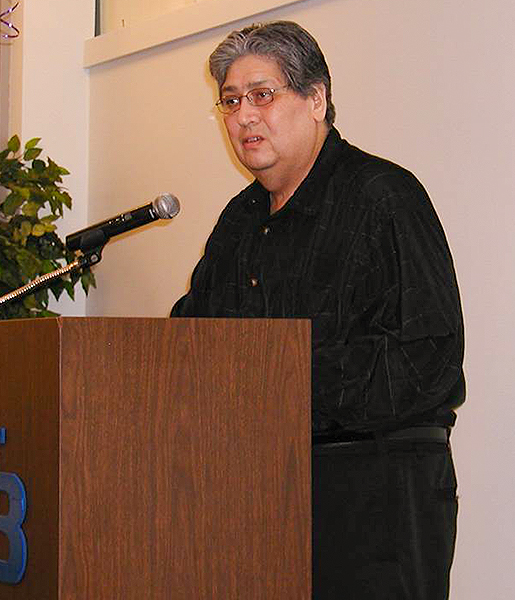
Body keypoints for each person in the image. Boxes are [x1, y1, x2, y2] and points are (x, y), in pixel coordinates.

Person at [170, 21, 465, 600]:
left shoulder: (383, 197)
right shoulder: (239, 221)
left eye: (262, 95)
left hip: (375, 497)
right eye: (230, 101)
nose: (244, 116)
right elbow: (191, 340)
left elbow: (429, 359)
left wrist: (280, 376)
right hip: (258, 493)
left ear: (316, 100)